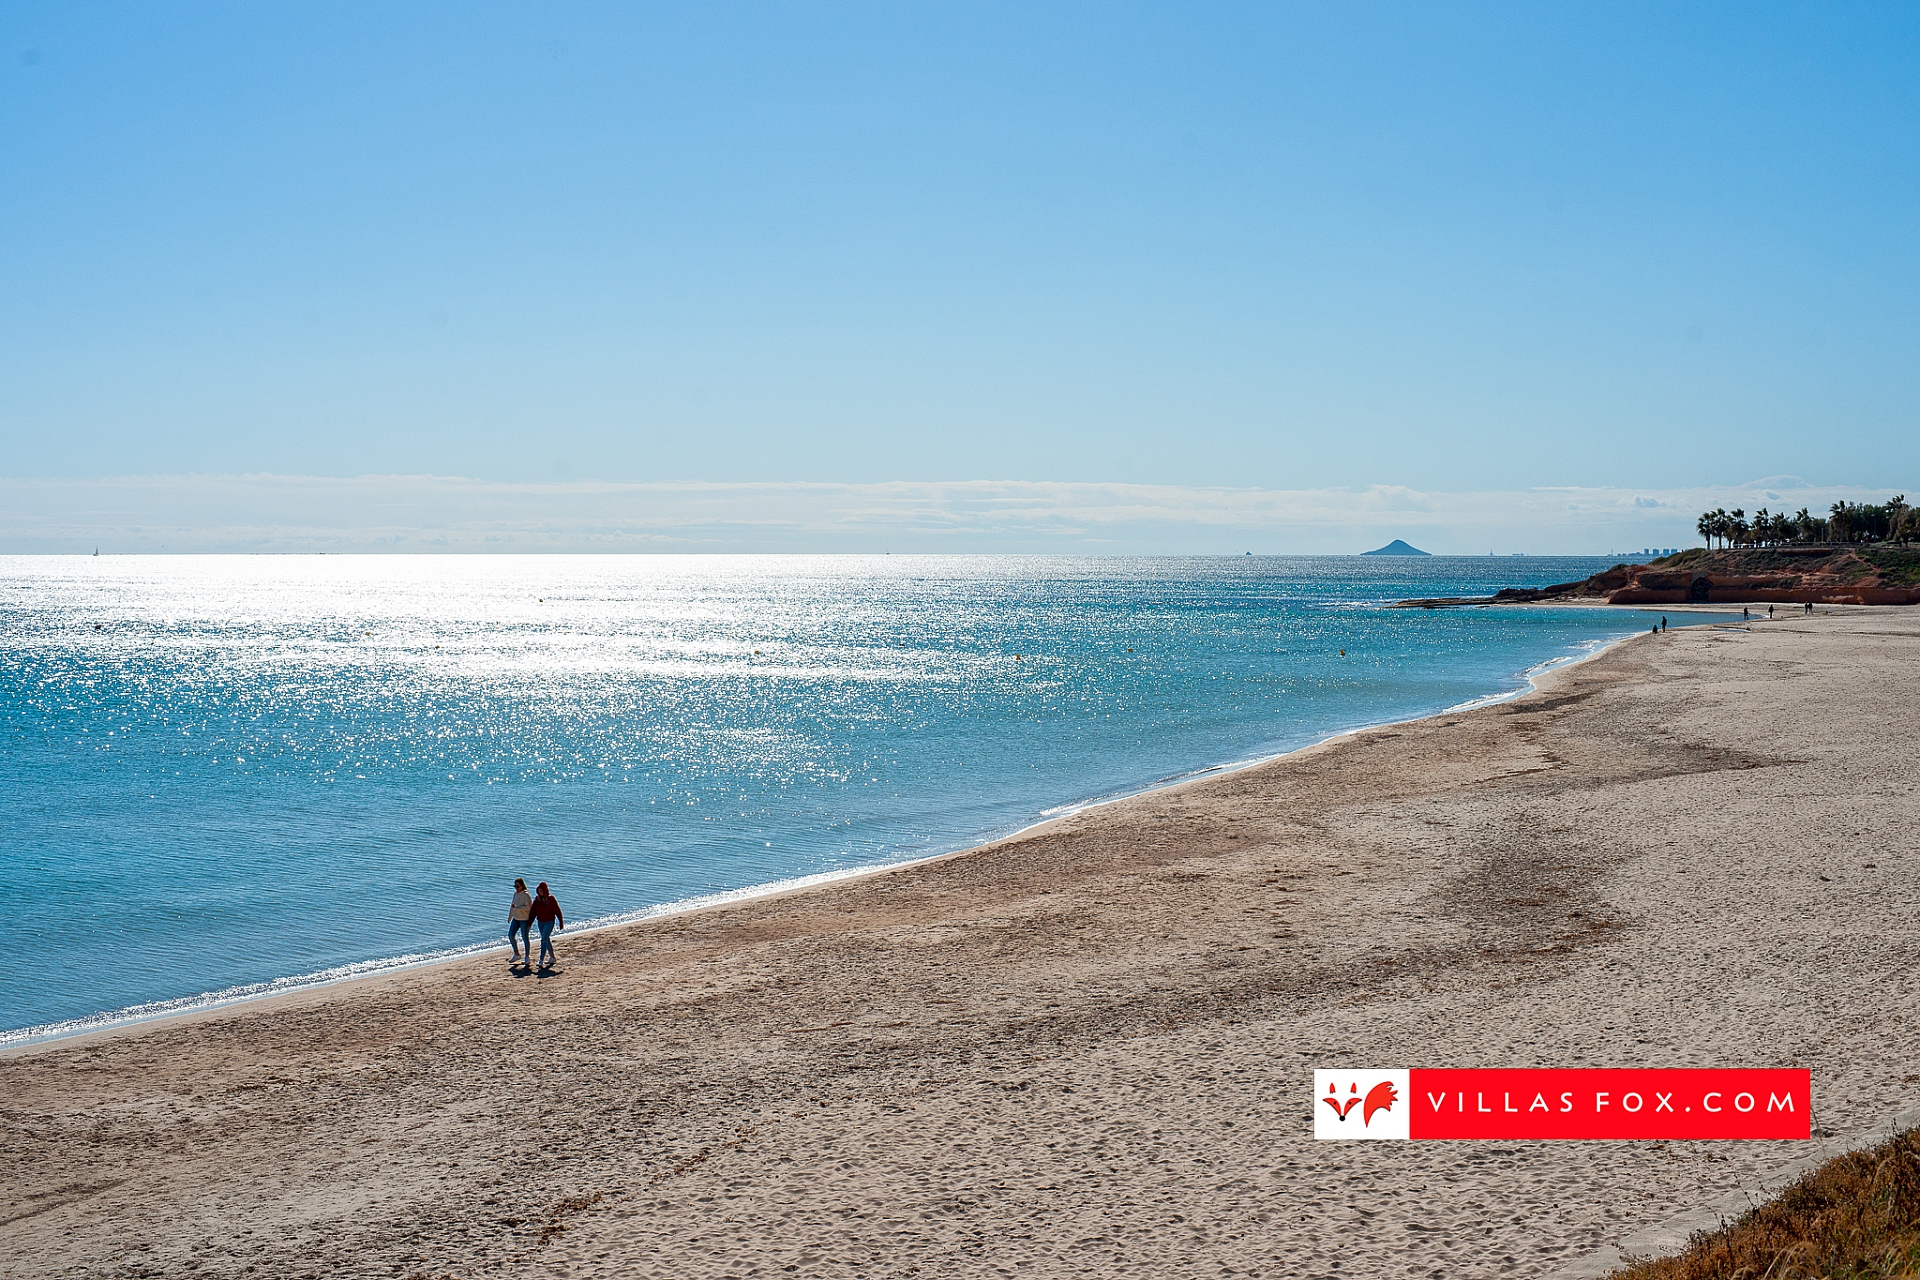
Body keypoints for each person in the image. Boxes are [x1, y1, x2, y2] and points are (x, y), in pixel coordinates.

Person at [531, 881, 565, 970]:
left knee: (543, 939)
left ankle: (541, 960)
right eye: (538, 891)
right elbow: (533, 912)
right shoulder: (537, 900)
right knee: (546, 939)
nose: (540, 892)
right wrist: (529, 923)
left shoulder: (551, 899)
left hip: (549, 922)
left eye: (541, 890)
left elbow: (557, 911)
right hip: (540, 922)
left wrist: (561, 922)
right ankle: (552, 957)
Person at [507, 878, 533, 966]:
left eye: (518, 886)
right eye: (515, 886)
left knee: (525, 937)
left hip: (524, 919)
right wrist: (510, 917)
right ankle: (516, 954)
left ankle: (527, 957)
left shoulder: (526, 895)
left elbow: (528, 908)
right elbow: (512, 906)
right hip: (516, 919)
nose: (516, 888)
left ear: (522, 886)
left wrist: (518, 908)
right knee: (511, 935)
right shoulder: (515, 894)